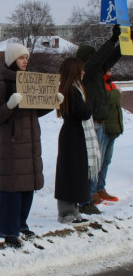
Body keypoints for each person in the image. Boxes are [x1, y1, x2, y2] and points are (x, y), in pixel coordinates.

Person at [0, 43, 62, 248]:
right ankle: (8, 229)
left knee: (28, 186)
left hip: (30, 142)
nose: (25, 61)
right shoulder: (4, 82)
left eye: (26, 57)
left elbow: (34, 111)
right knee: (12, 186)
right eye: (21, 58)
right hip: (13, 143)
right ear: (12, 60)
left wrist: (50, 103)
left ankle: (21, 223)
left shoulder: (30, 81)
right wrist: (9, 105)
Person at [75, 24, 123, 213]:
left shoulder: (96, 70)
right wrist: (111, 40)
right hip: (93, 123)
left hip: (103, 123)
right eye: (92, 56)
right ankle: (90, 195)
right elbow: (98, 61)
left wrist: (124, 43)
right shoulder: (86, 71)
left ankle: (97, 190)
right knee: (94, 162)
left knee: (103, 160)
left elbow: (110, 58)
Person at [54, 57, 95, 225]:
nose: (84, 72)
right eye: (81, 69)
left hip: (74, 135)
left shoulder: (73, 89)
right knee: (70, 173)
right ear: (74, 71)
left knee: (76, 173)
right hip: (72, 136)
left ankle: (73, 209)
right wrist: (92, 107)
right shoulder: (71, 90)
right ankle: (66, 212)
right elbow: (83, 113)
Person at [98, 69, 124, 201]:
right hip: (104, 127)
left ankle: (101, 188)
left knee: (106, 161)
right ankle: (94, 191)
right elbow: (105, 99)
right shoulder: (99, 83)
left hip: (112, 128)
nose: (111, 70)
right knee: (99, 161)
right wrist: (116, 92)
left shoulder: (110, 83)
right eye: (108, 68)